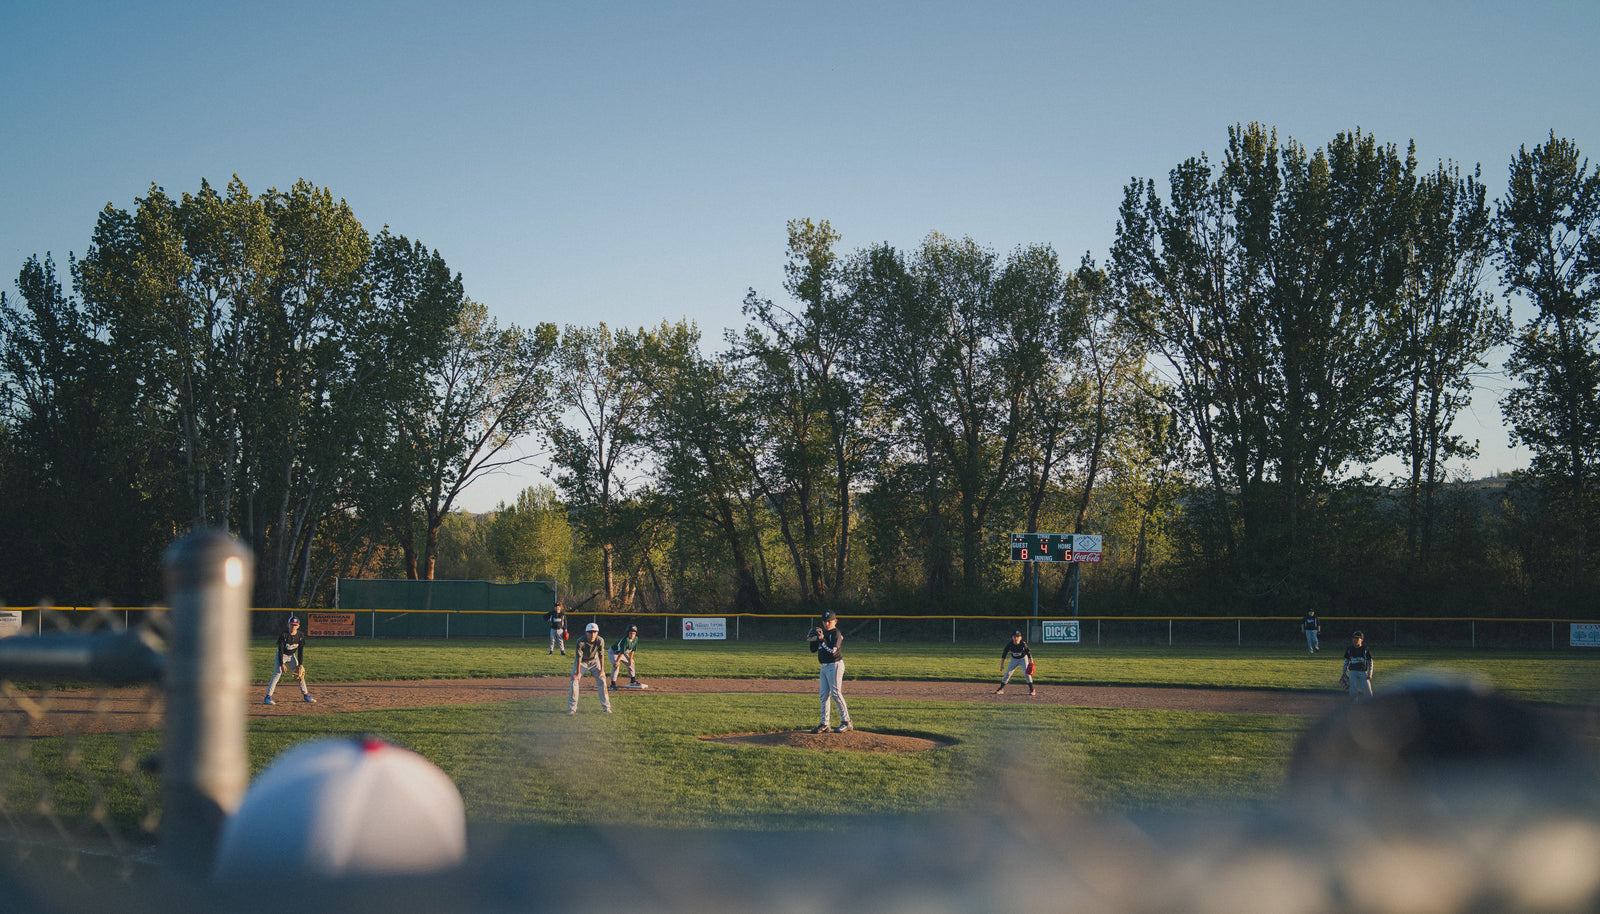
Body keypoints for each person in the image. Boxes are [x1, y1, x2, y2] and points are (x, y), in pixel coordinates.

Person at [808, 610, 852, 733]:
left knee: (835, 693)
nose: (826, 623)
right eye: (824, 621)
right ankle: (825, 723)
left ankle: (847, 722)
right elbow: (813, 650)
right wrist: (813, 640)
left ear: (835, 621)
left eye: (829, 621)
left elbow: (833, 651)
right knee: (823, 695)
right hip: (824, 666)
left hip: (835, 665)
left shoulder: (836, 634)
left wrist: (822, 640)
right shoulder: (822, 633)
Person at [264, 615, 315, 705]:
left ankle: (306, 695)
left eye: (295, 625)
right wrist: (282, 664)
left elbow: (300, 651)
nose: (293, 626)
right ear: (288, 625)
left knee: (299, 674)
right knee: (277, 674)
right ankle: (268, 697)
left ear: (298, 626)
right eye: (291, 624)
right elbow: (280, 650)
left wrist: (300, 664)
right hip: (282, 655)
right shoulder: (284, 635)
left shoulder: (300, 635)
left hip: (291, 656)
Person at [569, 622, 611, 713]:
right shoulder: (580, 641)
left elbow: (601, 655)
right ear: (586, 632)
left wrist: (602, 671)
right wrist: (578, 673)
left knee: (602, 680)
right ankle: (572, 708)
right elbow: (578, 657)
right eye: (590, 632)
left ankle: (606, 708)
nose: (592, 634)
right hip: (582, 662)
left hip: (594, 662)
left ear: (597, 633)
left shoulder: (600, 640)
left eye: (594, 632)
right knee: (574, 681)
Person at [996, 630, 1035, 696]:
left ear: (1020, 638)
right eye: (1014, 636)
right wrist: (1002, 664)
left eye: (1017, 636)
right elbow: (1004, 653)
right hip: (1014, 659)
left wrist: (1031, 661)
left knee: (1026, 673)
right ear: (1012, 637)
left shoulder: (1023, 644)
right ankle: (1001, 689)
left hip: (1023, 659)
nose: (1016, 638)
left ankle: (1032, 689)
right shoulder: (1010, 644)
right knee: (1008, 673)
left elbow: (1028, 652)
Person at [1341, 630, 1374, 700]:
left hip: (1363, 672)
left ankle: (1370, 704)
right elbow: (1346, 661)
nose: (1355, 640)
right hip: (1353, 672)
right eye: (1353, 638)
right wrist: (1344, 673)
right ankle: (1354, 704)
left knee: (1367, 691)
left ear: (1361, 639)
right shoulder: (1349, 649)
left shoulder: (1365, 649)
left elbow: (1370, 662)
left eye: (1357, 638)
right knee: (1353, 691)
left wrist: (1370, 673)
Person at [609, 624, 641, 689]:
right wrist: (617, 661)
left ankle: (633, 681)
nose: (632, 635)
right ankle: (613, 684)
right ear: (627, 633)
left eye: (634, 633)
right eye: (630, 633)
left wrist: (630, 660)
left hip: (622, 653)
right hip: (614, 652)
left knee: (631, 663)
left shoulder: (636, 639)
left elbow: (632, 650)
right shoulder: (625, 640)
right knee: (616, 666)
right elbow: (621, 652)